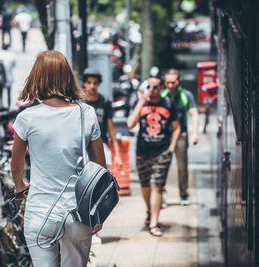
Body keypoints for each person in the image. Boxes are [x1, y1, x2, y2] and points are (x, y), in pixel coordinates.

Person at [11, 51, 105, 266]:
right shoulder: (86, 113)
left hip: (40, 213)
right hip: (78, 214)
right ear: (67, 76)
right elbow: (100, 166)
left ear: (37, 77)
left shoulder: (26, 118)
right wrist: (97, 212)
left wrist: (19, 187)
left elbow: (16, 164)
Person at [127, 75, 180, 237]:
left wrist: (171, 148)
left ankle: (154, 223)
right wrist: (142, 101)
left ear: (161, 88)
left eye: (156, 87)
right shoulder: (141, 103)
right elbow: (130, 124)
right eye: (149, 86)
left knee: (157, 186)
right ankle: (149, 212)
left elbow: (176, 128)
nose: (152, 90)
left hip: (162, 151)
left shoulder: (168, 104)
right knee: (145, 186)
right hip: (143, 151)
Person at [162, 69, 199, 206]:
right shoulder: (162, 94)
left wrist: (195, 133)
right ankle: (162, 195)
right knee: (162, 165)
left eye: (173, 82)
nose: (170, 85)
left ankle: (183, 194)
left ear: (179, 81)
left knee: (182, 167)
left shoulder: (185, 95)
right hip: (164, 136)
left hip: (181, 135)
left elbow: (193, 113)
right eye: (167, 82)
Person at [82, 68, 122, 168]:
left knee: (102, 177)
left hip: (101, 144)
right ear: (84, 83)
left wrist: (117, 154)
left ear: (99, 84)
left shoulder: (104, 102)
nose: (92, 86)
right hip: (83, 146)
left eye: (95, 83)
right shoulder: (80, 103)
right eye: (89, 82)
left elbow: (111, 129)